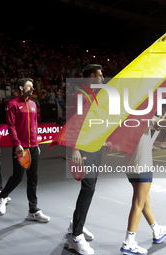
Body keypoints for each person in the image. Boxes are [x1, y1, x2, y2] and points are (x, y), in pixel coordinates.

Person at [65, 64, 109, 255]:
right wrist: (75, 149)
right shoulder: (79, 96)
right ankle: (75, 236)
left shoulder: (93, 95)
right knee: (88, 188)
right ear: (92, 76)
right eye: (100, 75)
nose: (103, 78)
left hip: (94, 147)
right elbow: (72, 122)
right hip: (83, 150)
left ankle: (76, 225)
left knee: (89, 189)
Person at [120, 104, 166, 255]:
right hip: (142, 164)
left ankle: (157, 231)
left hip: (129, 164)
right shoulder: (144, 116)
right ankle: (129, 242)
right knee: (138, 203)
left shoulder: (126, 116)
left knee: (144, 200)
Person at [0, 78, 50, 223]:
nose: (32, 89)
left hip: (33, 146)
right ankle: (2, 196)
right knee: (18, 177)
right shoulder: (12, 104)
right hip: (21, 147)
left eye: (33, 86)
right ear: (21, 87)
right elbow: (11, 126)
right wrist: (17, 144)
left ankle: (33, 210)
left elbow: (34, 124)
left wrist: (37, 143)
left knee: (33, 178)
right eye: (29, 86)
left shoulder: (33, 104)